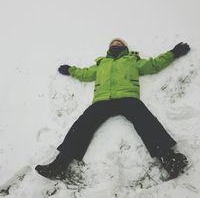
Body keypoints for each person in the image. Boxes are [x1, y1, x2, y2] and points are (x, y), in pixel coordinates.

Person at [35, 38, 190, 180]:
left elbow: (155, 64)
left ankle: (169, 160)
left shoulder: (132, 60)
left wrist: (173, 53)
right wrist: (70, 70)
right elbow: (85, 74)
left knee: (145, 120)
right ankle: (58, 166)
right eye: (113, 43)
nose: (115, 44)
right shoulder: (102, 63)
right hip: (103, 100)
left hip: (127, 97)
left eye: (118, 43)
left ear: (124, 47)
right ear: (109, 48)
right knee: (82, 124)